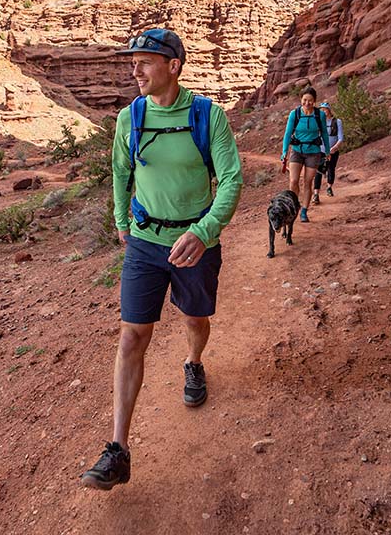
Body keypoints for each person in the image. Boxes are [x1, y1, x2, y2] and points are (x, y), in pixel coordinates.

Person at [81, 28, 243, 491]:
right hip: (145, 243)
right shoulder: (129, 118)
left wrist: (205, 231)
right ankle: (117, 450)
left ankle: (193, 362)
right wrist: (120, 220)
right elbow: (119, 171)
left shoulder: (207, 116)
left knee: (195, 320)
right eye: (132, 62)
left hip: (195, 242)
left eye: (145, 61)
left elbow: (231, 179)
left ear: (173, 65)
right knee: (132, 337)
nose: (135, 71)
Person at [280, 87, 330, 220]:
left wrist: (328, 150)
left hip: (313, 153)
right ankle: (293, 206)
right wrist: (284, 151)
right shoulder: (294, 114)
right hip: (297, 151)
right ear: (301, 100)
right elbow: (287, 133)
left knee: (308, 182)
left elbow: (324, 133)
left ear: (314, 101)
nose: (307, 103)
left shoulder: (320, 115)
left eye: (310, 100)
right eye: (304, 100)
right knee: (293, 180)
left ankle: (304, 211)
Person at [316, 101, 344, 197]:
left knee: (331, 168)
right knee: (318, 171)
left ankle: (329, 188)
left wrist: (335, 147)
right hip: (320, 150)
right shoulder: (318, 123)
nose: (323, 111)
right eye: (322, 110)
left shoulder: (337, 122)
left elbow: (340, 137)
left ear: (329, 110)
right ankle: (316, 193)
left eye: (325, 109)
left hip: (333, 151)